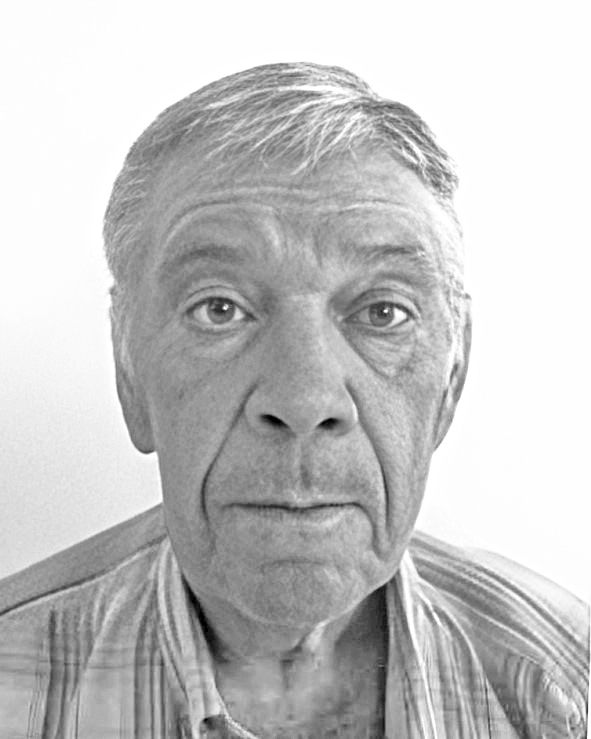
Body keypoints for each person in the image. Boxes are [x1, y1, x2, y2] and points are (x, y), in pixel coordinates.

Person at [0, 62, 587, 739]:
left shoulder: (564, 687)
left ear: (451, 379)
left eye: (382, 312)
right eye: (219, 308)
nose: (305, 400)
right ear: (128, 368)